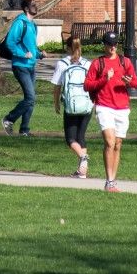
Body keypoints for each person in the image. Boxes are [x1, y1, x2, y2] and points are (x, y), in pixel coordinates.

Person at [84, 30, 137, 192]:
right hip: (104, 106)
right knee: (109, 142)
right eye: (109, 44)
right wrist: (103, 79)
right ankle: (108, 181)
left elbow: (135, 82)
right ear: (104, 45)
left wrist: (129, 82)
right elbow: (87, 85)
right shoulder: (97, 63)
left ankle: (113, 181)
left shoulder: (125, 62)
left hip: (122, 107)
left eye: (115, 44)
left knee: (118, 144)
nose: (112, 47)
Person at [50, 34, 92, 178]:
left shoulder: (63, 63)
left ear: (67, 48)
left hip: (71, 106)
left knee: (70, 139)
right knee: (81, 137)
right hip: (87, 105)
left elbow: (57, 86)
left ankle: (83, 156)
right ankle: (82, 170)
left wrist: (56, 103)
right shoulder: (87, 64)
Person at [0, 0, 41, 136]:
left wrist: (40, 54)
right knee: (30, 98)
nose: (36, 6)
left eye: (36, 4)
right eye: (33, 5)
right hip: (20, 65)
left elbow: (32, 47)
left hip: (30, 66)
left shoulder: (33, 25)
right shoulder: (20, 23)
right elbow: (10, 43)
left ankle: (24, 130)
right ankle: (9, 119)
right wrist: (23, 54)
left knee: (31, 99)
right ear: (26, 8)